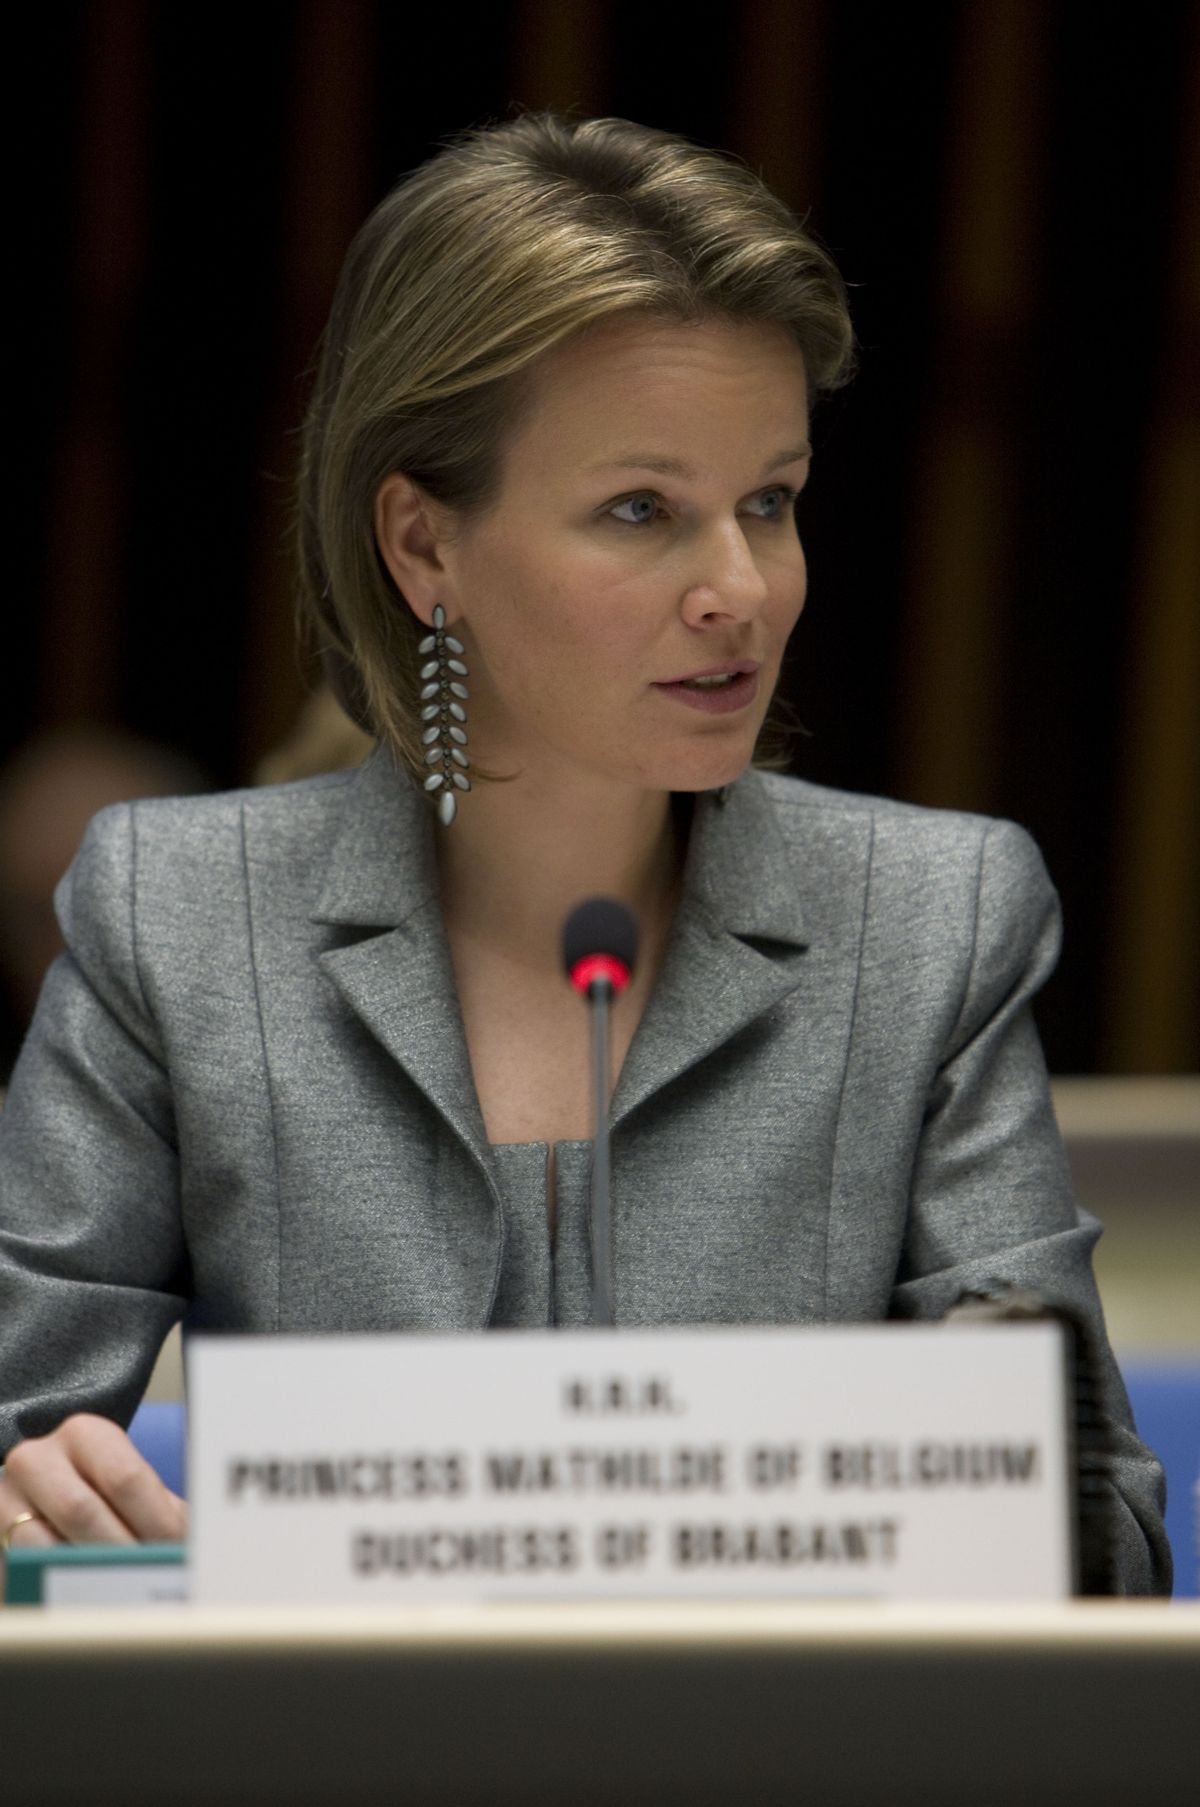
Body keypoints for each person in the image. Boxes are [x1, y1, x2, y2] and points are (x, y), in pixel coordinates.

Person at [0, 112, 1170, 1593]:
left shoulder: (931, 925)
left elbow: (1107, 1551)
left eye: (769, 502)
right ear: (424, 547)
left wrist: (988, 1481)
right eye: (641, 511)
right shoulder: (180, 918)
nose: (742, 589)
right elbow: (15, 1435)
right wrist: (34, 1512)